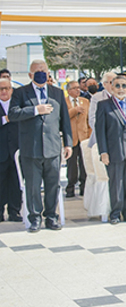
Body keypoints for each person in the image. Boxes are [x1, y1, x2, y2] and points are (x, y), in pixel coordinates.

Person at [9, 60, 73, 232]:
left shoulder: (57, 93)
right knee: (33, 186)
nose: (41, 73)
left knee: (53, 185)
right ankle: (35, 217)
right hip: (31, 148)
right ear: (30, 75)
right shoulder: (21, 93)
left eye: (44, 70)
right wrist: (36, 110)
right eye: (37, 71)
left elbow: (64, 120)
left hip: (52, 148)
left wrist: (68, 143)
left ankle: (51, 217)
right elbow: (13, 114)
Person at [95, 75, 126, 224]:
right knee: (116, 184)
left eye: (124, 86)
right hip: (113, 151)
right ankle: (115, 213)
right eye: (117, 86)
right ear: (111, 87)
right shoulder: (103, 105)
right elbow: (100, 131)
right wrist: (103, 152)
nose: (121, 89)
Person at [0, 78, 22, 222]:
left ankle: (15, 211)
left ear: (11, 90)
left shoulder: (17, 104)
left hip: (15, 151)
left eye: (7, 88)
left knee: (16, 182)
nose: (4, 91)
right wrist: (5, 119)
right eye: (1, 89)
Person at [65, 81, 91, 197]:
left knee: (84, 164)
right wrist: (75, 110)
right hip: (71, 137)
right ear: (68, 90)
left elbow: (89, 119)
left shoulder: (85, 101)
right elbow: (63, 117)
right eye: (74, 88)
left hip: (84, 137)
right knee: (71, 164)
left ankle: (83, 187)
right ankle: (70, 187)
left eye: (78, 88)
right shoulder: (64, 102)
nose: (77, 90)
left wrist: (90, 135)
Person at [88, 71, 117, 148]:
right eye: (111, 82)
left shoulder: (125, 97)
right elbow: (92, 119)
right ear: (104, 84)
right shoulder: (97, 98)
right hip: (101, 139)